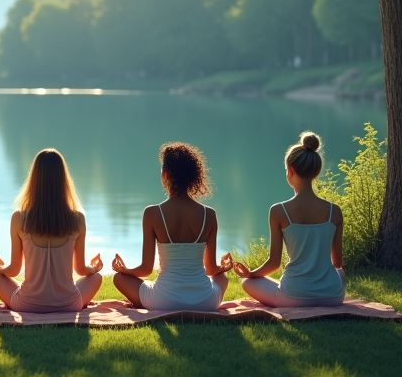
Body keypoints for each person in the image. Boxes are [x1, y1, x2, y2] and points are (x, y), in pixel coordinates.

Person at [112, 142, 233, 311]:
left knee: (119, 278)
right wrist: (224, 267)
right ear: (193, 176)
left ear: (165, 174)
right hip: (205, 301)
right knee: (223, 278)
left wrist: (125, 270)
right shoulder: (209, 214)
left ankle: (145, 300)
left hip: (163, 300)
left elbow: (146, 269)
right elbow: (212, 269)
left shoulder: (152, 213)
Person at [234, 132, 347, 307]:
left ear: (291, 170)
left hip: (293, 296)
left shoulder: (279, 211)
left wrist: (250, 274)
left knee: (247, 283)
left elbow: (274, 264)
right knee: (341, 274)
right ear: (315, 172)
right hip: (332, 296)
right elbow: (337, 263)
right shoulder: (335, 211)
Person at [0, 149, 103, 312]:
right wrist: (94, 268)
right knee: (97, 278)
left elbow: (14, 269)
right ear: (63, 180)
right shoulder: (77, 219)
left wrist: (0, 269)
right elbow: (80, 269)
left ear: (34, 180)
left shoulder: (19, 218)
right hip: (69, 304)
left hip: (27, 305)